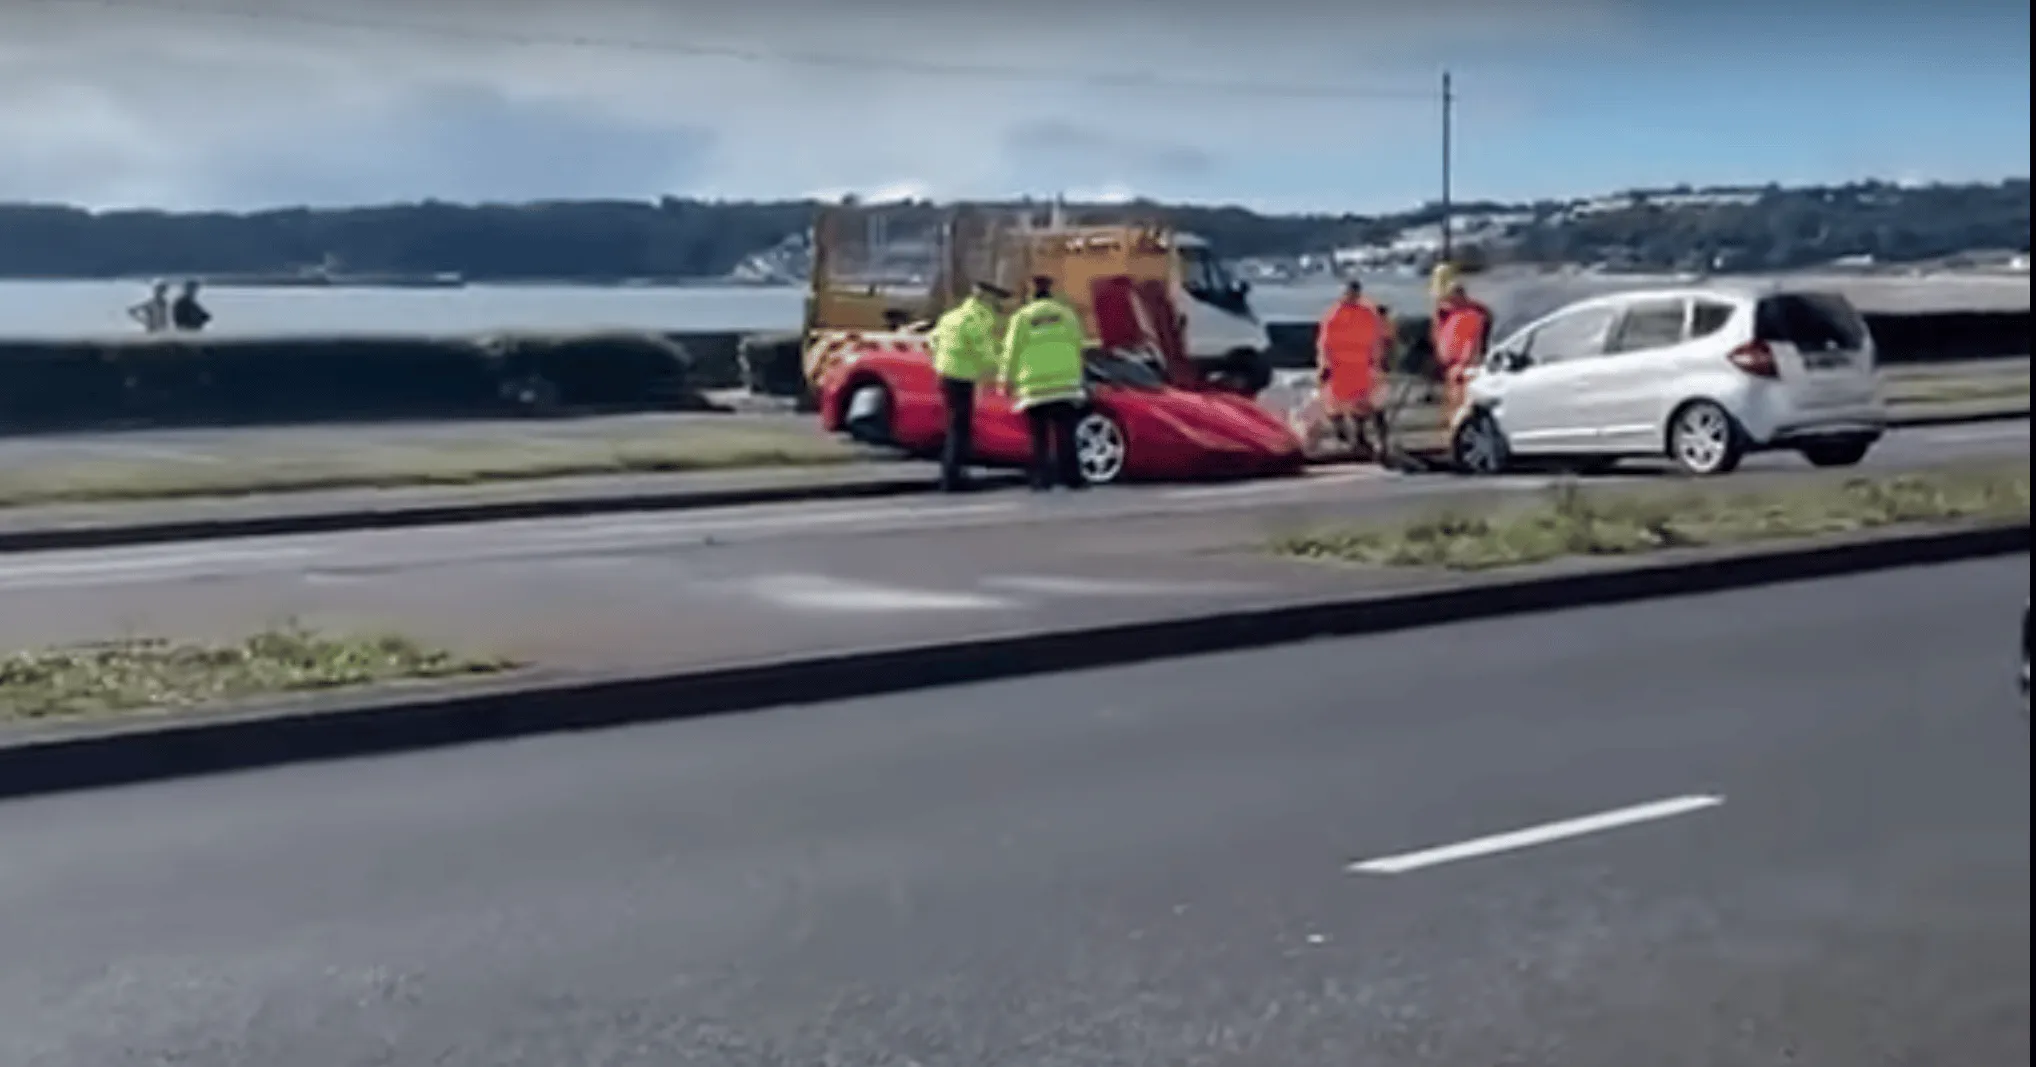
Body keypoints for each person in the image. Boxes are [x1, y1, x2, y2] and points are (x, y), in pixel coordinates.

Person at [999, 274, 1088, 491]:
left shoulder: (1021, 318)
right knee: (1066, 435)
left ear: (1031, 295)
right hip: (1066, 384)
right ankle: (1072, 478)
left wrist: (1005, 380)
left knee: (1039, 437)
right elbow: (1079, 344)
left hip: (1035, 387)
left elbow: (1011, 352)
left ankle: (1042, 479)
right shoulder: (1066, 315)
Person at [927, 279, 1009, 492]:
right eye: (997, 302)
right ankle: (953, 478)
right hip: (962, 377)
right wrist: (1006, 368)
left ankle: (952, 473)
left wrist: (942, 359)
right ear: (988, 300)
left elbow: (933, 339)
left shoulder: (952, 316)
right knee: (960, 429)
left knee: (954, 426)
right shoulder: (978, 320)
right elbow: (986, 352)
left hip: (945, 374)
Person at [1315, 279, 1388, 459]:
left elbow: (1376, 339)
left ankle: (1360, 437)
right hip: (1340, 366)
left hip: (1360, 365)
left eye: (1355, 292)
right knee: (1335, 404)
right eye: (1350, 292)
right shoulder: (1334, 314)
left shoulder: (1367, 313)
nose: (1352, 296)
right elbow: (1324, 342)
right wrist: (1324, 364)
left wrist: (1376, 362)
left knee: (1361, 404)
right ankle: (1344, 434)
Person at [1431, 278, 1493, 424]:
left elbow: (1472, 341)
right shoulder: (1450, 314)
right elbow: (1440, 335)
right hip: (1451, 362)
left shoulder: (1472, 315)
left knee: (1462, 399)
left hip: (1464, 363)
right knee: (1453, 398)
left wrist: (1466, 362)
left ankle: (1460, 426)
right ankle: (1454, 425)